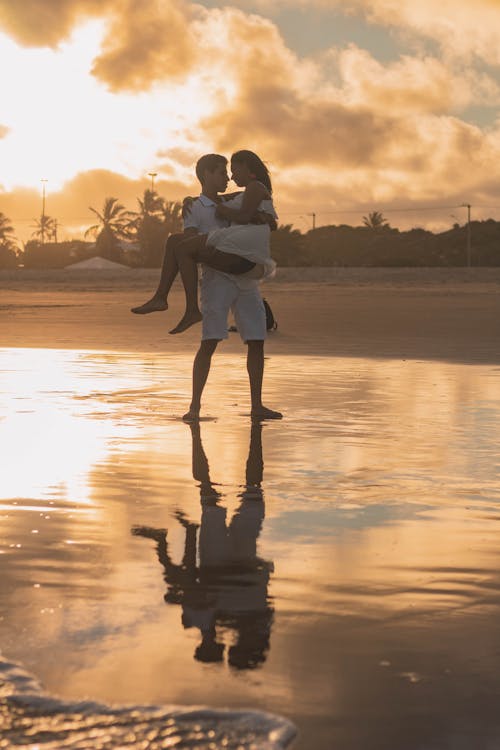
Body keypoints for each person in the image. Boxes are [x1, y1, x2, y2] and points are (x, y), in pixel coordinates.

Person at [133, 151, 282, 421]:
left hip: (246, 280)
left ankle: (257, 405)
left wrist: (265, 219)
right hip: (216, 281)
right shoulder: (195, 207)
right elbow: (189, 240)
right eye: (222, 173)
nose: (227, 177)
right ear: (207, 175)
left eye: (229, 172)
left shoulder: (235, 198)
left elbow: (255, 207)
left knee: (257, 340)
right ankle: (194, 407)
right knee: (209, 342)